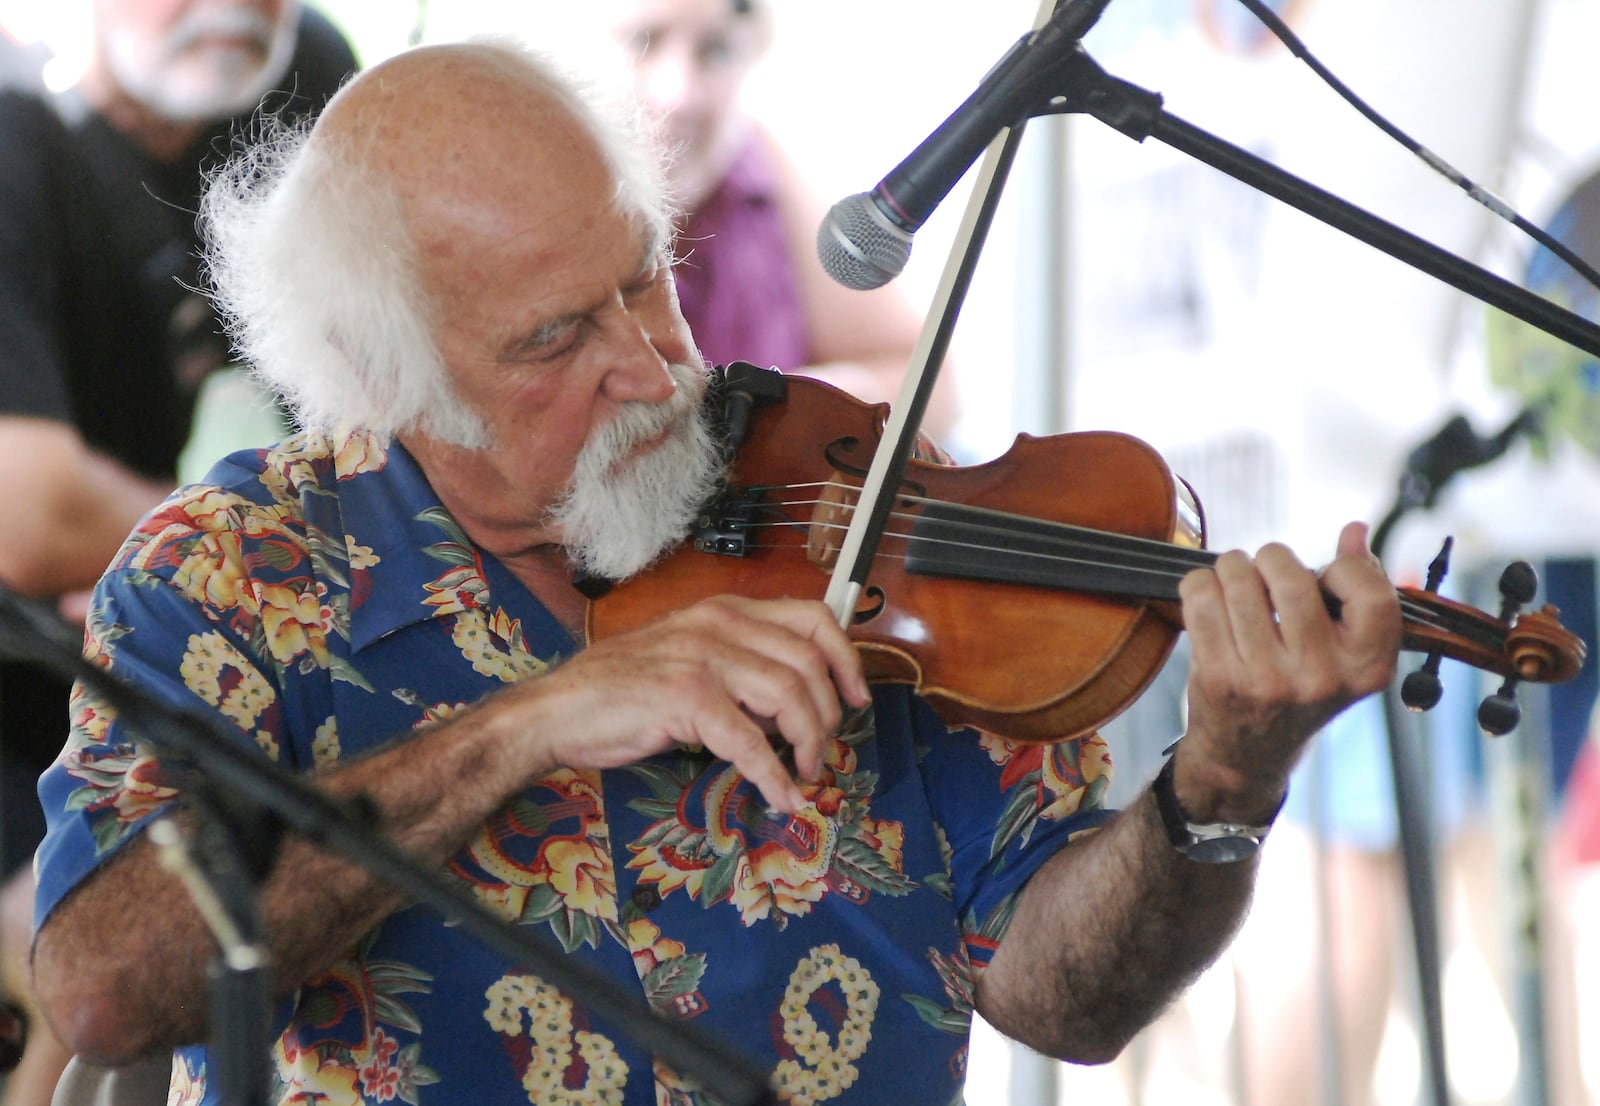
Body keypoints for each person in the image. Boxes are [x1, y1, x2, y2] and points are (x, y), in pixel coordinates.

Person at [28, 40, 1402, 1106]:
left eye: (645, 278)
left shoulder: (846, 504)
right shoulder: (232, 578)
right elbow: (102, 988)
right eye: (554, 338)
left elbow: (1068, 999)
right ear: (382, 381)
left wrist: (1218, 794)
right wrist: (526, 729)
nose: (649, 364)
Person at [0, 3, 356, 1104]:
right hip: (24, 676)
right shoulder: (16, 135)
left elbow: (387, 435)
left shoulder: (306, 89)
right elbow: (27, 518)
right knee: (89, 927)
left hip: (131, 646)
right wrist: (220, 556)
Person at [580, 0, 961, 441]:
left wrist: (785, 413)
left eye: (717, 50)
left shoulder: (762, 173)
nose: (678, 95)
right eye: (642, 42)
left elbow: (934, 390)